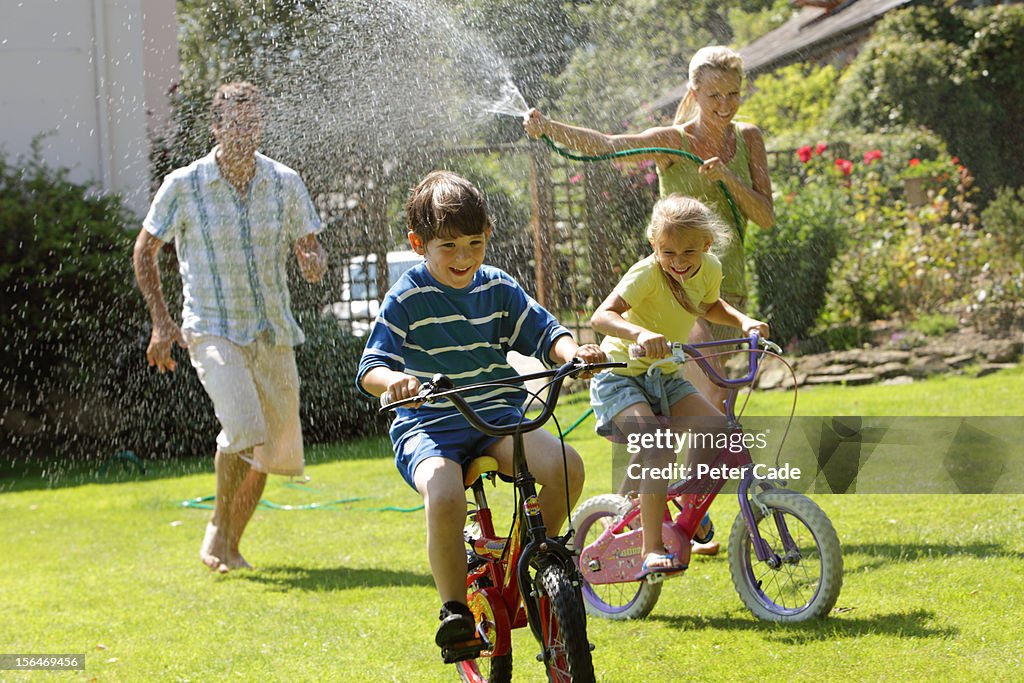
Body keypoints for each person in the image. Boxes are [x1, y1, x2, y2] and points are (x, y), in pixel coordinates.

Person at [524, 45, 774, 555]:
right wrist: (549, 128)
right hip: (672, 297)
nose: (724, 105)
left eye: (732, 94)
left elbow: (765, 216)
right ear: (694, 93)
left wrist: (726, 176)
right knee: (687, 414)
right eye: (712, 96)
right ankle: (644, 525)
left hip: (726, 290)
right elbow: (608, 144)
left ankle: (662, 519)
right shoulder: (673, 141)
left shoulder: (747, 138)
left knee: (714, 413)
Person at [356, 170, 605, 655]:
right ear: (418, 243)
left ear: (488, 235)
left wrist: (573, 354)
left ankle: (527, 566)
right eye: (447, 246)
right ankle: (455, 610)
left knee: (567, 467)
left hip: (496, 415)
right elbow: (371, 367)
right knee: (445, 494)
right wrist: (397, 382)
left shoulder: (497, 287)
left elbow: (547, 332)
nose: (464, 256)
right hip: (430, 424)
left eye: (474, 242)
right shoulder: (406, 296)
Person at [133, 81, 327, 574]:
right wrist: (161, 321)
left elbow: (313, 252)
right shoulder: (184, 184)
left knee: (268, 449)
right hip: (211, 327)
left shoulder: (285, 181)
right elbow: (145, 251)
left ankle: (229, 546)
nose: (245, 132)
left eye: (252, 122)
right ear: (216, 128)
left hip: (271, 330)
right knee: (243, 425)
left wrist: (313, 260)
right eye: (235, 124)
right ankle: (218, 526)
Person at [589, 194, 768, 578]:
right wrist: (639, 331)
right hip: (621, 376)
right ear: (654, 244)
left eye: (689, 251)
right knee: (657, 446)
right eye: (668, 251)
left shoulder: (709, 268)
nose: (679, 261)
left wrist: (744, 322)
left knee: (720, 432)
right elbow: (601, 316)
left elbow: (708, 305)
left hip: (666, 374)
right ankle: (651, 548)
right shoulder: (645, 274)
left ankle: (689, 504)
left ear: (706, 245)